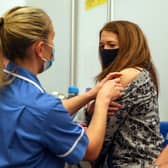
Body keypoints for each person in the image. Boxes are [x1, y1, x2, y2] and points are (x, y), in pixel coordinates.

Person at [0, 6, 123, 168]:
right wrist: (103, 100)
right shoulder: (41, 107)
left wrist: (90, 94)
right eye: (52, 41)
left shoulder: (8, 85)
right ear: (40, 48)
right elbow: (90, 149)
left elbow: (37, 116)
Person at [85, 20, 164, 168]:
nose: (105, 50)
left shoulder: (125, 76)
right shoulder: (143, 72)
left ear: (129, 47)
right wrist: (92, 108)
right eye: (102, 46)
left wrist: (92, 111)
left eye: (112, 45)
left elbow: (99, 141)